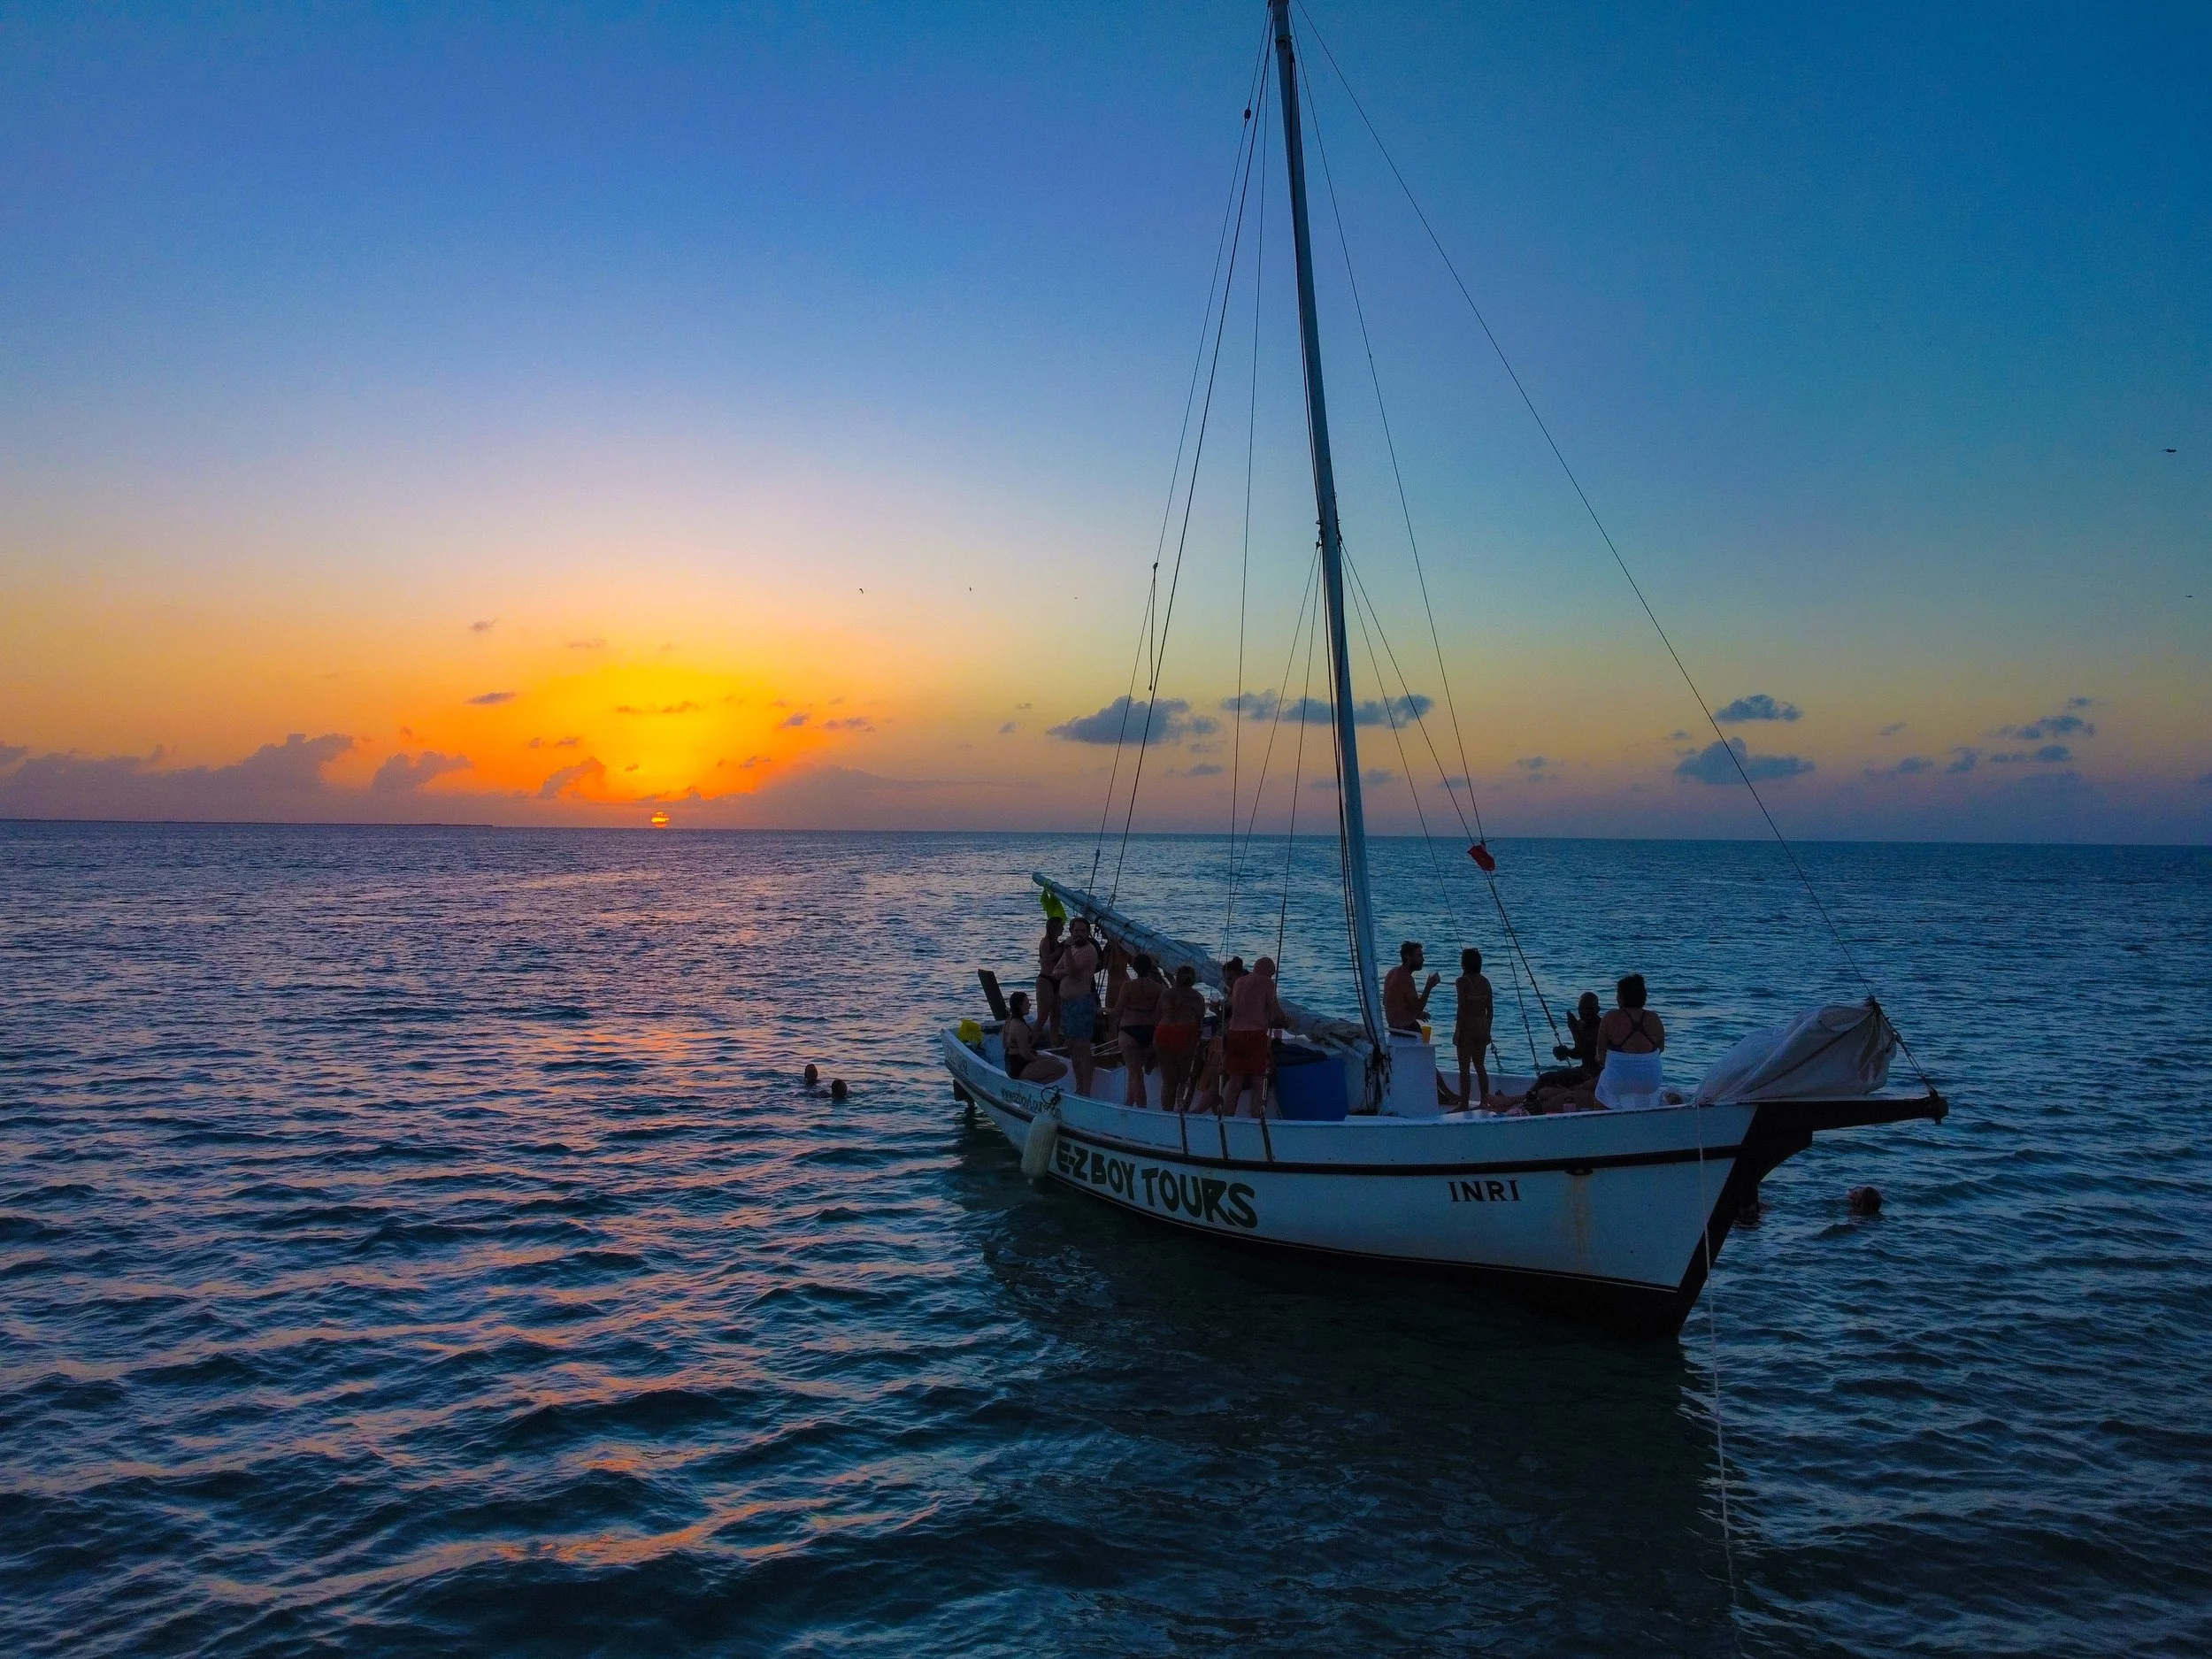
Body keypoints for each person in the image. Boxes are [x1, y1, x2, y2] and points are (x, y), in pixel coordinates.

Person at [1220, 955, 1286, 1119]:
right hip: (1254, 1035)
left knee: (1235, 1080)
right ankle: (1257, 1118)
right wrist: (1284, 1021)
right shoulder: (1267, 982)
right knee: (1259, 1080)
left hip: (1234, 1034)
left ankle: (1227, 1118)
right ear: (1268, 971)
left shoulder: (1239, 982)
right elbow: (1276, 1013)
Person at [1594, 973, 1665, 1108]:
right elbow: (1660, 1048)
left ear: (1621, 997)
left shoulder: (1610, 1017)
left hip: (1618, 1082)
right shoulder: (1654, 1018)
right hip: (1651, 1082)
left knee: (1600, 1090)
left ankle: (1600, 1118)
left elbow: (1600, 1054)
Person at [1056, 916, 1103, 1096]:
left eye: (1083, 931)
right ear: (1071, 932)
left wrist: (1067, 950)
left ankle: (1086, 1090)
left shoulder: (1088, 951)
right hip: (1067, 1005)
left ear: (1088, 933)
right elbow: (1056, 972)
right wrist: (1067, 965)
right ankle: (1078, 1086)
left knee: (1083, 1047)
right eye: (1076, 931)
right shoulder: (1072, 950)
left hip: (1081, 1003)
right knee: (1072, 1047)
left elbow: (1070, 970)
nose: (1079, 934)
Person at [1116, 953, 1166, 1105]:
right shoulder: (1159, 988)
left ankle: (1141, 1108)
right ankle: (1129, 1102)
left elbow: (1118, 1010)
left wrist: (1102, 1009)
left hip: (1129, 1031)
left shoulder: (1128, 986)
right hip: (1150, 1032)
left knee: (1135, 1073)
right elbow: (1161, 1012)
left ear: (1134, 967)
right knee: (1137, 1071)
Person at [1154, 964, 1206, 1112]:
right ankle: (1182, 1112)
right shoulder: (1197, 997)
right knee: (1185, 1079)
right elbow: (1200, 1021)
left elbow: (1157, 1018)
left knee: (1169, 1081)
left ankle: (1167, 1114)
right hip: (1186, 1032)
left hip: (1163, 1032)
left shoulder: (1165, 995)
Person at [1454, 948, 1494, 1111]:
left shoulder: (1461, 981)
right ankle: (1484, 1101)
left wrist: (1457, 1032)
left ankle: (1464, 1104)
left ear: (1464, 964)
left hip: (1468, 1027)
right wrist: (1487, 1029)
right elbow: (1490, 1010)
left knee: (1464, 1068)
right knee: (1480, 1066)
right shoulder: (1485, 981)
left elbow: (1462, 1009)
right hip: (1482, 1025)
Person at [1000, 991, 1066, 1085]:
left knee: (1054, 1059)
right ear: (1020, 1006)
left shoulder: (1009, 1021)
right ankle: (1038, 1087)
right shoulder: (1019, 1027)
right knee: (1062, 1068)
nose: (1030, 1005)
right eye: (1027, 1002)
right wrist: (1038, 1059)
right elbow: (1025, 1054)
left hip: (1010, 1063)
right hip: (1019, 1067)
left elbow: (1004, 1044)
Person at [1382, 940, 1441, 1034]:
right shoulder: (1405, 978)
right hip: (1406, 1029)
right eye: (1419, 956)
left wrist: (1415, 1015)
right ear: (1408, 957)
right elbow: (1418, 1008)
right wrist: (1428, 986)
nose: (1423, 959)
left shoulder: (1392, 972)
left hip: (1393, 1028)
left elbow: (1388, 1003)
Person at [1034, 916, 1065, 1043]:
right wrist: (1060, 952)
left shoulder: (1057, 944)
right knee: (1043, 1014)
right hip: (1046, 979)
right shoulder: (1046, 941)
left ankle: (1055, 1044)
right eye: (1060, 927)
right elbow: (1046, 959)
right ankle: (1031, 1042)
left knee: (1056, 1015)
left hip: (1057, 981)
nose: (1063, 929)